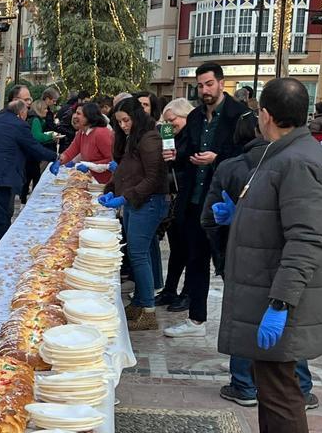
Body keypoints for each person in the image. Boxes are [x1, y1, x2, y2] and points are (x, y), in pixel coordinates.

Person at [211, 78, 322, 433]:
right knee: (270, 388)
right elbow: (274, 212)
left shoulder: (298, 161)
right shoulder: (281, 152)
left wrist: (281, 304)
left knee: (284, 394)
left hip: (283, 299)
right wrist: (239, 214)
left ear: (265, 114)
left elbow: (306, 239)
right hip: (265, 290)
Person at [202, 113, 320, 411]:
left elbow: (306, 233)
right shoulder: (295, 159)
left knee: (252, 323)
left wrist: (222, 251)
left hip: (259, 263)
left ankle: (245, 384)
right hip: (280, 266)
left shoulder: (286, 164)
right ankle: (301, 386)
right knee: (283, 331)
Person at [163, 62, 246, 339]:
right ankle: (196, 319)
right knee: (196, 260)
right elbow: (186, 148)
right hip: (195, 199)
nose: (205, 90)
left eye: (209, 84)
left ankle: (240, 324)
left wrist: (216, 159)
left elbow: (247, 157)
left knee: (228, 265)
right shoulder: (197, 116)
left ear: (221, 83)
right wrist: (176, 155)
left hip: (224, 202)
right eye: (200, 85)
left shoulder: (240, 116)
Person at [100, 97, 168, 331]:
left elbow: (152, 178)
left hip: (147, 203)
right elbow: (125, 171)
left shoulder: (149, 139)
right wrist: (110, 190)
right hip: (135, 203)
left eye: (126, 120)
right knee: (137, 253)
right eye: (119, 122)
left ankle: (148, 310)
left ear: (136, 117)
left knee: (139, 255)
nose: (123, 126)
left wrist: (126, 197)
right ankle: (140, 302)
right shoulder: (133, 139)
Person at [0, 90, 58, 263]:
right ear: (21, 113)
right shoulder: (19, 125)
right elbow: (34, 147)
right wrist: (56, 157)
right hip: (0, 179)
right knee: (0, 220)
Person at [157, 97, 194, 311]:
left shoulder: (194, 136)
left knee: (190, 250)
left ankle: (188, 293)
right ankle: (170, 289)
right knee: (176, 248)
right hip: (174, 197)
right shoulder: (172, 136)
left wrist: (177, 157)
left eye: (173, 121)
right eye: (167, 122)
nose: (170, 126)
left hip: (189, 198)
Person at [58, 101, 115, 184]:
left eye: (78, 113)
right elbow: (70, 152)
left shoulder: (101, 133)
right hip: (91, 180)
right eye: (75, 113)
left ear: (89, 116)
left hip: (104, 183)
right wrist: (58, 161)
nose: (74, 116)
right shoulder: (82, 132)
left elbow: (112, 159)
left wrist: (89, 165)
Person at [25, 98, 58, 201]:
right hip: (31, 155)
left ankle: (27, 198)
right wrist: (50, 136)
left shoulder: (35, 119)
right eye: (45, 109)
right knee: (34, 175)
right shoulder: (35, 120)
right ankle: (30, 199)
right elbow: (37, 136)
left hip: (30, 154)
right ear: (39, 109)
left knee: (31, 176)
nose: (47, 111)